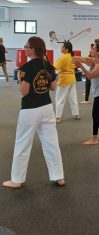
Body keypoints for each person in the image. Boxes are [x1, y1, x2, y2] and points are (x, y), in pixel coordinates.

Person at [2, 36, 65, 189]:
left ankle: (17, 180)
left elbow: (24, 92)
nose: (24, 49)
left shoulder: (27, 67)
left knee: (22, 143)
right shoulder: (48, 65)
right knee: (51, 143)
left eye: (26, 46)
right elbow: (53, 87)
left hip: (30, 110)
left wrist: (19, 80)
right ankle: (59, 176)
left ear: (33, 49)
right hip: (47, 108)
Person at [54, 41, 80, 123]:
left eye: (62, 46)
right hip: (72, 79)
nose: (61, 48)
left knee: (60, 98)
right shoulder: (71, 56)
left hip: (64, 79)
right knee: (73, 97)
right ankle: (76, 114)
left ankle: (58, 117)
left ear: (66, 49)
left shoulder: (65, 57)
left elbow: (55, 67)